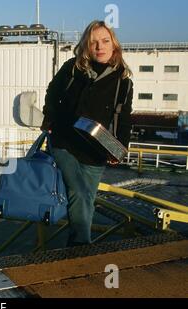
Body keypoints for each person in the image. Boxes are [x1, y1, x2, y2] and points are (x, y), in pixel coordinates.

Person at [41, 21, 133, 246]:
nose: (99, 47)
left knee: (87, 199)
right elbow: (52, 93)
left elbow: (124, 117)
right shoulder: (73, 68)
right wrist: (50, 117)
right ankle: (82, 247)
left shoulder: (123, 81)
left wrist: (119, 149)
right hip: (64, 141)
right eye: (93, 43)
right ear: (86, 46)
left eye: (105, 41)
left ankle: (76, 246)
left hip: (96, 149)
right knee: (80, 193)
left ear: (114, 45)